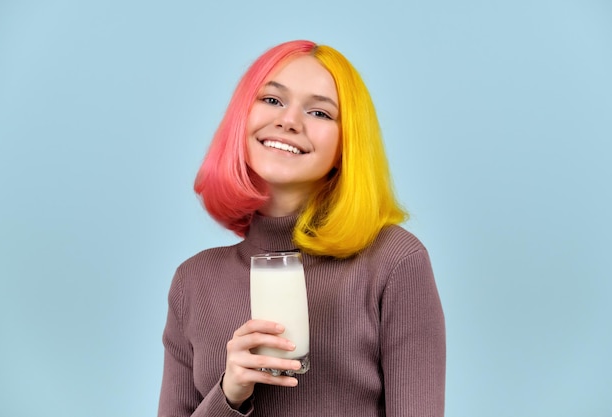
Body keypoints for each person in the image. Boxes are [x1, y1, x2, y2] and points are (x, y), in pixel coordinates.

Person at [158, 40, 446, 417]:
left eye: (320, 113)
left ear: (347, 145)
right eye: (273, 100)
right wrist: (229, 394)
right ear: (242, 117)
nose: (290, 120)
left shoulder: (394, 262)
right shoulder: (194, 281)